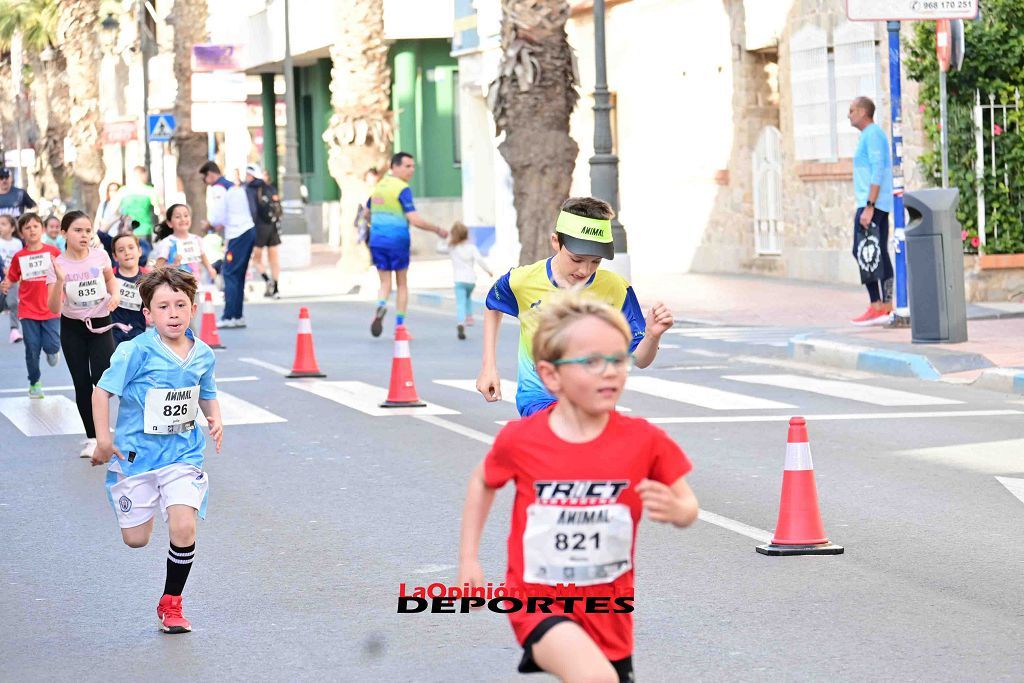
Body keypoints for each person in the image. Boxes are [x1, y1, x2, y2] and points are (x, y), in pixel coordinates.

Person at [457, 293, 699, 683]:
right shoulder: (522, 439)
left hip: (610, 611)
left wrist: (678, 510)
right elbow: (483, 481)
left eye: (618, 360)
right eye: (591, 362)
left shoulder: (644, 440)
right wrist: (469, 558)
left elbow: (688, 504)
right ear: (551, 375)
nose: (610, 372)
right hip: (537, 600)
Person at [91, 268, 223, 635]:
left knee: (184, 525)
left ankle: (172, 602)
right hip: (136, 460)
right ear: (148, 314)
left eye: (181, 305)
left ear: (193, 308)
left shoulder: (203, 354)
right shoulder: (134, 351)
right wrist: (104, 439)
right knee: (137, 539)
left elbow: (207, 392)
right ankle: (130, 500)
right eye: (164, 306)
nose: (174, 313)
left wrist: (215, 419)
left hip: (183, 456)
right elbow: (101, 392)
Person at [476, 197, 675, 417]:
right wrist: (489, 367)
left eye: (595, 261)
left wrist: (651, 335)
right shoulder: (522, 280)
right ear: (555, 242)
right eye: (577, 259)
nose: (585, 270)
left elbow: (640, 360)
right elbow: (493, 305)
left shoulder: (616, 289)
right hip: (540, 398)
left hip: (594, 402)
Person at [46, 211, 123, 459]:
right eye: (78, 230)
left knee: (102, 379)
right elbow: (54, 308)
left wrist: (116, 296)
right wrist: (59, 281)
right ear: (64, 233)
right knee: (82, 383)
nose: (84, 235)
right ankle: (94, 438)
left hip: (101, 324)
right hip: (73, 328)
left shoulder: (100, 256)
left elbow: (112, 281)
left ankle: (106, 429)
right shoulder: (57, 264)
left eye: (88, 230)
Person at [367, 152, 448, 337]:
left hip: (377, 240)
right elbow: (414, 219)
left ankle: (380, 306)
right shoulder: (402, 189)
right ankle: (400, 327)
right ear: (394, 167)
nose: (411, 170)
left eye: (413, 166)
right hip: (397, 241)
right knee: (402, 283)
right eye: (407, 166)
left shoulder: (379, 187)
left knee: (384, 282)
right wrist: (437, 229)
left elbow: (366, 212)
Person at [1, 213, 62, 398]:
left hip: (51, 308)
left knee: (51, 345)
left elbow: (66, 270)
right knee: (32, 348)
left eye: (35, 226)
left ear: (42, 229)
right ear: (21, 233)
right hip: (27, 310)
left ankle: (52, 351)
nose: (32, 230)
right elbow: (12, 276)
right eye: (27, 228)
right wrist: (7, 283)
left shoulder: (53, 252)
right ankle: (34, 382)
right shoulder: (19, 256)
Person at [847, 96, 894, 326]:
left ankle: (880, 305)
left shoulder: (873, 135)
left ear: (864, 112)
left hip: (872, 204)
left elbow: (877, 171)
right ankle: (882, 305)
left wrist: (870, 206)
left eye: (852, 110)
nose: (849, 114)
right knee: (875, 251)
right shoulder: (867, 136)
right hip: (871, 203)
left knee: (865, 251)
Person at [199, 161, 255, 328]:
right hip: (247, 231)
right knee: (238, 275)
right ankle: (237, 315)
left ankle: (229, 315)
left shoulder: (218, 188)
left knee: (230, 274)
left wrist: (209, 225)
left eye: (205, 179)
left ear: (210, 174)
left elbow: (218, 216)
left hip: (237, 233)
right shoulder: (234, 187)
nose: (206, 183)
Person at [448, 221, 492, 340]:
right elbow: (480, 260)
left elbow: (439, 248)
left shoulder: (452, 248)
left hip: (459, 280)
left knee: (460, 302)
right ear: (466, 234)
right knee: (468, 298)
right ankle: (469, 316)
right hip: (471, 280)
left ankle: (461, 322)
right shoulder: (472, 248)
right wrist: (488, 271)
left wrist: (446, 236)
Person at [152, 204, 218, 283]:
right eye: (177, 217)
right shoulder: (167, 243)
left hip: (195, 286)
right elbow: (157, 268)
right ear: (169, 223)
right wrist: (173, 265)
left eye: (186, 215)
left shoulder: (196, 239)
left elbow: (203, 255)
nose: (183, 219)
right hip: (174, 288)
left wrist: (210, 269)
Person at [244, 163, 282, 298]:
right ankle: (276, 288)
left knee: (256, 259)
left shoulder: (250, 188)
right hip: (273, 227)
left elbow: (252, 210)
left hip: (259, 227)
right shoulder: (271, 188)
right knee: (274, 259)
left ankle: (267, 280)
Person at [111, 233, 148, 346]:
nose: (127, 253)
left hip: (138, 331)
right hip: (113, 331)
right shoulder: (109, 277)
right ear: (115, 256)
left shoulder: (148, 277)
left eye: (131, 248)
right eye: (121, 250)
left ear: (139, 251)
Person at [113, 166, 161, 240]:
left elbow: (114, 210)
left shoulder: (123, 191)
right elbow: (158, 210)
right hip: (144, 230)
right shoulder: (150, 191)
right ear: (143, 175)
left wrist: (123, 218)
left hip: (126, 229)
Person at [0, 214, 23, 343]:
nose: (0, 227)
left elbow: (20, 260)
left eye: (3, 224)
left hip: (12, 278)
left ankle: (14, 330)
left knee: (14, 303)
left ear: (12, 228)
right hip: (0, 279)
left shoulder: (17, 243)